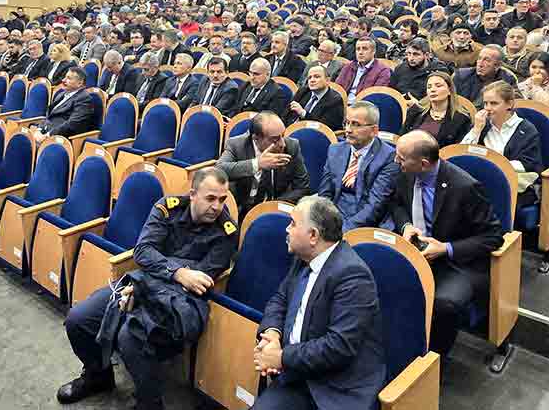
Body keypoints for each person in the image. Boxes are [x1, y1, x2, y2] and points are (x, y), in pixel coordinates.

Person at [59, 168, 238, 409]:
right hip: (139, 283)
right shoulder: (167, 208)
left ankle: (150, 404)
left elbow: (202, 278)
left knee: (129, 337)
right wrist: (179, 272)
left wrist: (147, 283)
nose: (217, 207)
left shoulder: (227, 231)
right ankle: (98, 376)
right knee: (78, 320)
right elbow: (143, 252)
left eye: (222, 199)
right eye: (210, 198)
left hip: (179, 302)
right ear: (193, 194)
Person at [252, 196, 386, 410]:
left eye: (293, 224)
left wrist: (281, 357)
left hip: (337, 386)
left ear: (313, 235)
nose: (287, 229)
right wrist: (273, 334)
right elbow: (280, 299)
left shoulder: (353, 275)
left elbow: (338, 346)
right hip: (299, 372)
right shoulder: (303, 257)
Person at [392, 130, 503, 357]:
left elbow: (493, 236)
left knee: (444, 304)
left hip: (457, 262)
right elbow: (396, 204)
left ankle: (432, 362)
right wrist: (405, 226)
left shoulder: (465, 187)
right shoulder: (405, 172)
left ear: (423, 164)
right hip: (416, 249)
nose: (396, 161)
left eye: (401, 158)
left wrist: (445, 248)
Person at [461, 81, 545, 206]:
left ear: (509, 104)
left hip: (515, 182)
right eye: (485, 103)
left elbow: (528, 164)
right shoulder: (482, 126)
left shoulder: (526, 129)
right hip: (482, 180)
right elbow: (463, 152)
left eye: (494, 103)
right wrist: (476, 130)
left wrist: (494, 167)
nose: (488, 108)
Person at [317, 102, 398, 231]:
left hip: (364, 223)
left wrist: (342, 231)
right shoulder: (335, 150)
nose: (348, 130)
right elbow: (325, 193)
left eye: (355, 124)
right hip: (333, 216)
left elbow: (374, 206)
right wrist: (325, 222)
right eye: (347, 123)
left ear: (374, 131)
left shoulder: (388, 157)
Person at [216, 111, 310, 216]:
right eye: (275, 139)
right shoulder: (237, 145)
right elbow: (219, 170)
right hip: (241, 210)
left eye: (283, 136)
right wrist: (257, 164)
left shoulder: (292, 146)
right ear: (256, 138)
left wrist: (272, 205)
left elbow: (303, 187)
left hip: (275, 210)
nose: (282, 143)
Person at [401, 71, 472, 147]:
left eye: (438, 86)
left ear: (449, 90)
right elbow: (402, 137)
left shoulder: (461, 119)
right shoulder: (416, 111)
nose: (432, 90)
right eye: (429, 87)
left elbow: (456, 150)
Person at [32, 67, 96, 142]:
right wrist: (39, 130)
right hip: (45, 133)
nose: (63, 80)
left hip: (61, 139)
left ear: (80, 83)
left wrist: (48, 135)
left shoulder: (84, 99)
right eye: (65, 77)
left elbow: (73, 124)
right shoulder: (61, 94)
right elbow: (49, 116)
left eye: (69, 78)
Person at [286, 65, 345, 130]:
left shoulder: (335, 100)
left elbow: (326, 127)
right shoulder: (304, 91)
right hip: (291, 129)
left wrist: (303, 113)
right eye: (309, 77)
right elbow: (286, 113)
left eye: (317, 77)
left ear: (327, 80)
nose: (312, 80)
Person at [335, 38, 391, 105]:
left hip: (363, 108)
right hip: (342, 105)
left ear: (373, 51)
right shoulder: (348, 66)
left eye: (365, 49)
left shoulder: (383, 70)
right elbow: (337, 89)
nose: (360, 52)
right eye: (358, 49)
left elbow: (376, 97)